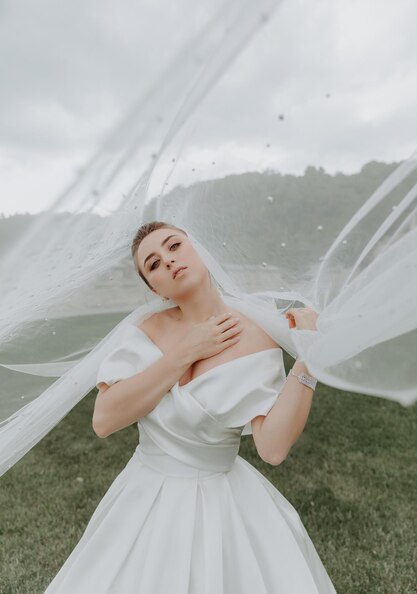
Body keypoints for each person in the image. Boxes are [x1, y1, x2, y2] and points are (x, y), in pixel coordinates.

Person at [43, 221, 337, 593]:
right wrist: (187, 351)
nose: (168, 261)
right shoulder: (146, 330)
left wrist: (307, 361)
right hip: (143, 494)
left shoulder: (258, 337)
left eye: (174, 246)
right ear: (155, 288)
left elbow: (273, 448)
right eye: (153, 264)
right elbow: (104, 420)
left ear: (199, 250)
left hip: (220, 502)